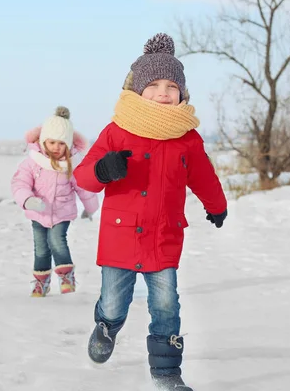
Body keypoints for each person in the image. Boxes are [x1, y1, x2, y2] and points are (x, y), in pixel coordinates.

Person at [73, 33, 228, 390]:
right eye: (154, 85)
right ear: (138, 90)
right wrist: (103, 170)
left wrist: (216, 206)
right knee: (113, 303)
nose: (162, 92)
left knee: (166, 308)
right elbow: (85, 176)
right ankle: (106, 327)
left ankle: (166, 373)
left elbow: (203, 175)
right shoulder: (117, 131)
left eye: (171, 86)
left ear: (182, 94)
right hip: (120, 236)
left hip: (163, 238)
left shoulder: (187, 137)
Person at [11, 106, 99, 297]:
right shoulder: (33, 162)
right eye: (52, 142)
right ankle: (41, 283)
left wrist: (90, 209)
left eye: (61, 143)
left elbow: (83, 187)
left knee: (57, 241)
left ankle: (66, 276)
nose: (56, 148)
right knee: (41, 248)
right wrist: (27, 200)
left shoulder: (72, 164)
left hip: (62, 212)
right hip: (38, 213)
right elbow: (20, 183)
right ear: (43, 141)